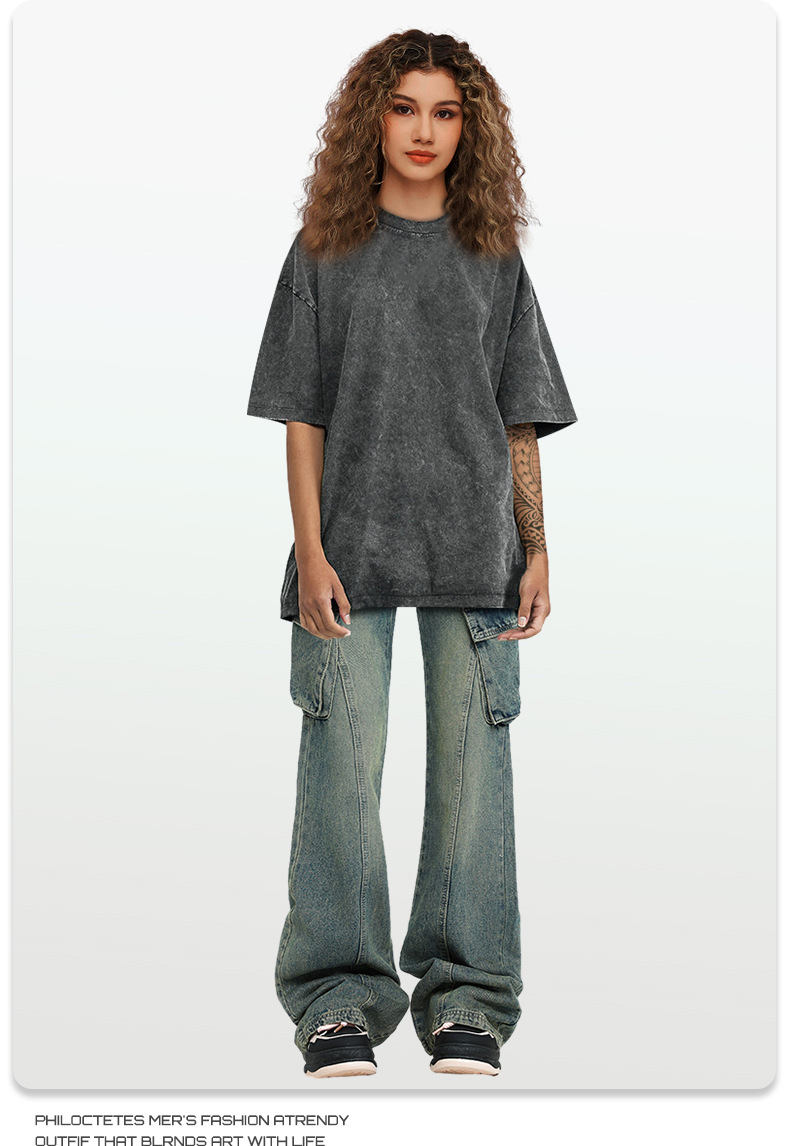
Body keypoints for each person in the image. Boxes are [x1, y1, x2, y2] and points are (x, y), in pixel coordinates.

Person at [247, 29, 577, 1079]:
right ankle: (337, 997)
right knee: (340, 775)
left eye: (444, 110)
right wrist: (310, 554)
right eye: (403, 108)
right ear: (371, 120)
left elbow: (519, 415)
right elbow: (300, 414)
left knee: (473, 783)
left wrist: (537, 547)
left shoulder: (494, 256)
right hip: (348, 556)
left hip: (477, 556)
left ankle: (467, 996)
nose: (424, 130)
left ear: (468, 127)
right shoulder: (324, 250)